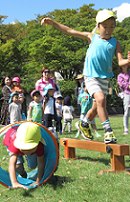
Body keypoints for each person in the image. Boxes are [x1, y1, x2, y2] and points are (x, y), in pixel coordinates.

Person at [41, 9, 130, 144]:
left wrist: (128, 61)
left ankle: (84, 123)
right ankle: (108, 131)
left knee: (97, 107)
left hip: (105, 78)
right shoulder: (91, 37)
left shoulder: (115, 42)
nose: (108, 30)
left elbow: (120, 61)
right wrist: (53, 23)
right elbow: (69, 31)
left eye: (112, 26)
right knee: (100, 99)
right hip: (90, 76)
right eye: (105, 26)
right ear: (98, 26)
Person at [3, 122, 46, 190]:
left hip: (21, 146)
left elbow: (41, 164)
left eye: (29, 148)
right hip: (10, 140)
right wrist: (14, 182)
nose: (26, 151)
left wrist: (38, 181)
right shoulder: (15, 144)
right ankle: (23, 174)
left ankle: (27, 156)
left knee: (33, 166)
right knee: (17, 166)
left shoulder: (40, 145)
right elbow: (12, 164)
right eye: (24, 149)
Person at [117, 65, 130, 134]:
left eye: (126, 65)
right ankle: (126, 129)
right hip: (127, 94)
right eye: (123, 65)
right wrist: (128, 85)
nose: (125, 66)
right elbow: (121, 84)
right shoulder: (120, 76)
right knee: (126, 112)